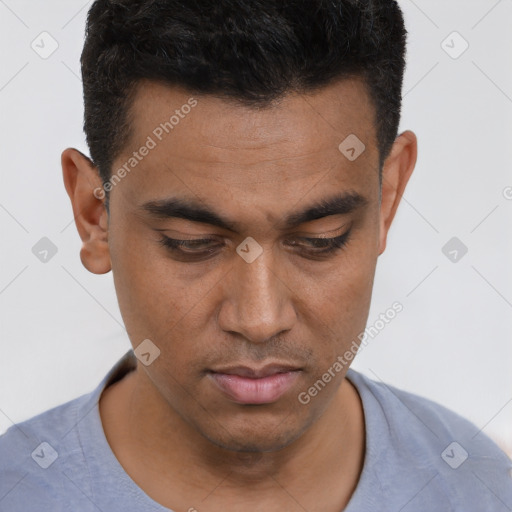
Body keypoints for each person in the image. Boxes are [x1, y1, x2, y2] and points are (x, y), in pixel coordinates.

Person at [1, 0, 511, 510]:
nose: (260, 320)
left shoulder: (479, 487)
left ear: (388, 198)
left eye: (320, 239)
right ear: (95, 215)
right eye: (191, 243)